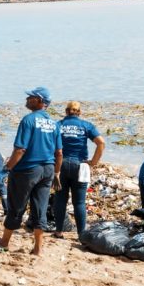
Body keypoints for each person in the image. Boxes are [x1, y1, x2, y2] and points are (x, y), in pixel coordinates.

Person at [0, 87, 62, 255]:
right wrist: (56, 173)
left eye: (31, 97)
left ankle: (4, 242)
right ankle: (37, 248)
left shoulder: (28, 120)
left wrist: (7, 168)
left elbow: (20, 150)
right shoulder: (54, 124)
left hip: (28, 170)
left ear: (41, 101)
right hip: (47, 169)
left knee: (16, 206)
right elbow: (59, 153)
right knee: (40, 208)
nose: (27, 99)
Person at [53, 101, 105, 238]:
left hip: (61, 165)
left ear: (66, 111)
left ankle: (59, 231)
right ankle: (81, 234)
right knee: (79, 202)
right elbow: (101, 143)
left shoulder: (58, 125)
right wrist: (93, 162)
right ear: (79, 112)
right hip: (80, 165)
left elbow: (48, 143)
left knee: (60, 199)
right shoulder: (86, 125)